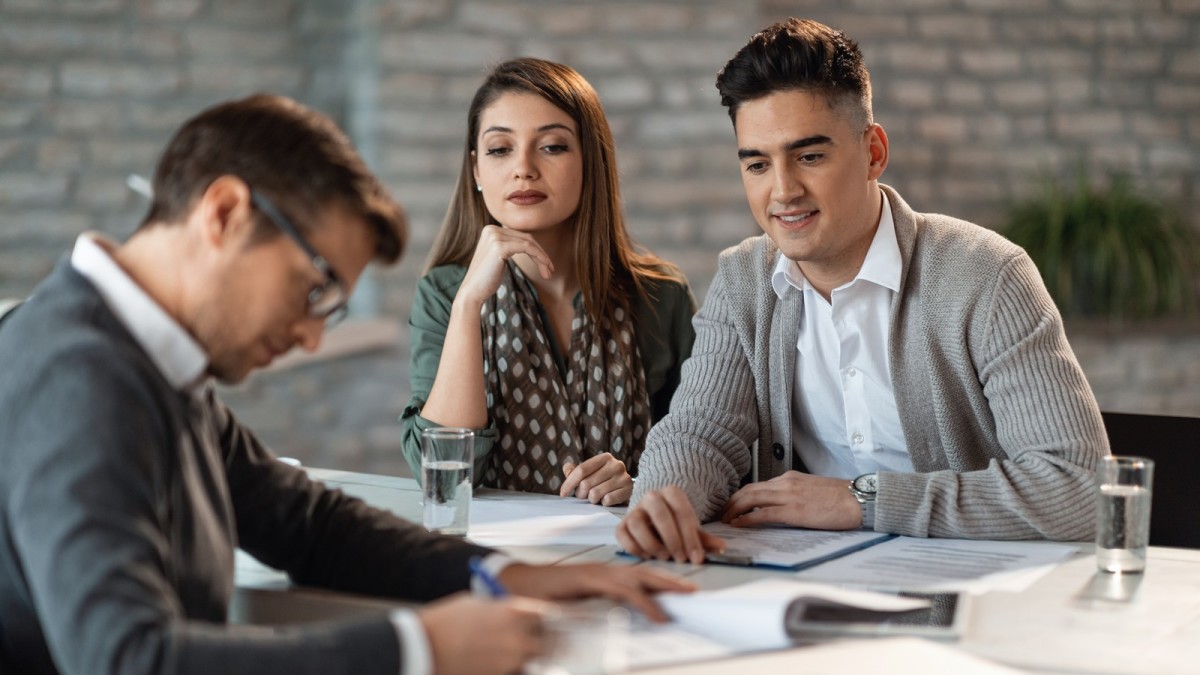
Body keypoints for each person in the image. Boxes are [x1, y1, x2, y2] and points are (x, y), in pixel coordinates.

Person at [0, 94, 693, 675]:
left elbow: (310, 525)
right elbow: (127, 657)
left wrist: (507, 573)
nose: (310, 337)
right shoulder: (81, 376)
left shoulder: (147, 359)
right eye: (316, 290)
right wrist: (417, 647)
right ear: (223, 214)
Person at [616, 18, 1110, 565]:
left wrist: (863, 500)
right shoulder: (743, 281)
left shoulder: (987, 276)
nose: (782, 191)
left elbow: (1081, 488)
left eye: (809, 157)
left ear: (873, 152)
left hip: (964, 591)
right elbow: (700, 434)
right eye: (757, 164)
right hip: (799, 585)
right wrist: (663, 501)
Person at [401, 58, 696, 506]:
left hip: (628, 550)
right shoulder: (445, 294)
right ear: (477, 170)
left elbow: (705, 451)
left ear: (590, 161)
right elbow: (442, 476)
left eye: (552, 147)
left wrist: (640, 484)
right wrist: (468, 307)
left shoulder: (661, 296)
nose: (524, 168)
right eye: (500, 149)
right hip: (494, 554)